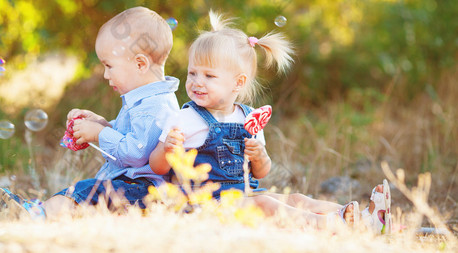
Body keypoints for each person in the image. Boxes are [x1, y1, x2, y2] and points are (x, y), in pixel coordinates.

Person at [150, 11, 390, 230]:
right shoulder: (184, 117)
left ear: (238, 82)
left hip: (243, 195)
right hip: (205, 204)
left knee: (295, 199)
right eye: (192, 73)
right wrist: (168, 149)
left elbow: (261, 172)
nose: (197, 81)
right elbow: (157, 166)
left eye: (209, 75)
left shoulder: (249, 117)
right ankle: (331, 225)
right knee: (264, 203)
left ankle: (361, 218)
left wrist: (259, 156)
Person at [0, 6, 180, 219]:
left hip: (142, 191)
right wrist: (101, 124)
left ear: (140, 64)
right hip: (131, 187)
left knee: (84, 191)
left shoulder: (154, 106)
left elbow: (136, 155)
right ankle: (39, 212)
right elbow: (132, 139)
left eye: (109, 66)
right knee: (86, 193)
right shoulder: (144, 100)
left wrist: (99, 134)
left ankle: (38, 215)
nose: (106, 75)